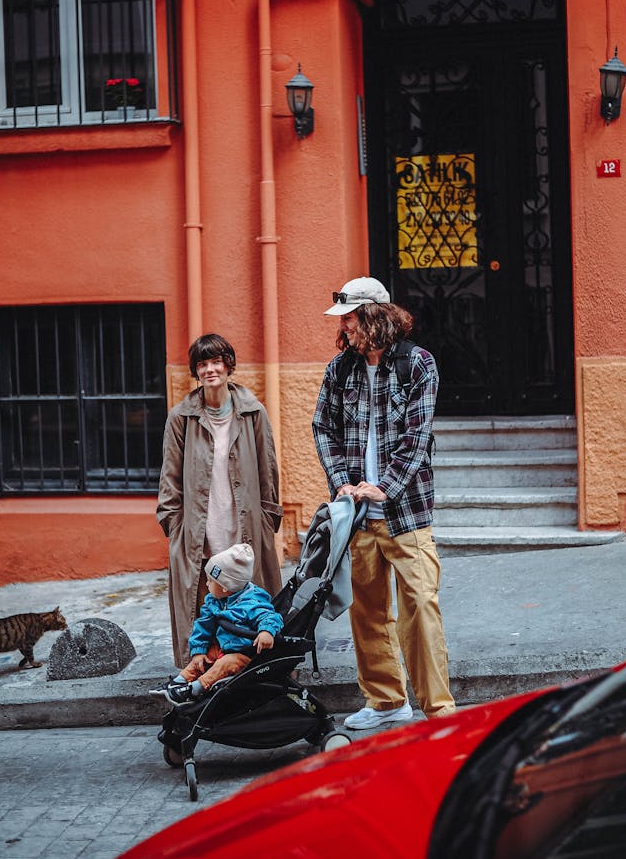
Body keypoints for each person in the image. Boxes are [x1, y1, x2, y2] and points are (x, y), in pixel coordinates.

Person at [312, 276, 455, 730]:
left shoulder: (418, 365)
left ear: (374, 317)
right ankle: (387, 701)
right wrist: (341, 483)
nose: (346, 327)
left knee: (420, 609)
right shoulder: (340, 369)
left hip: (406, 512)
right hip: (356, 516)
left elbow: (417, 437)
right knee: (367, 612)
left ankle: (438, 711)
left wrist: (384, 487)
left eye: (351, 318)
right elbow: (323, 428)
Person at [157, 333, 283, 668]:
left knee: (250, 596)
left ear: (228, 367)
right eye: (202, 364)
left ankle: (256, 670)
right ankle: (205, 673)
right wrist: (172, 523)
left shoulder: (253, 412)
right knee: (204, 598)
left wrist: (269, 518)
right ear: (196, 372)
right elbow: (169, 474)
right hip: (200, 526)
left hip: (245, 523)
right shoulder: (181, 417)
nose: (210, 369)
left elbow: (268, 468)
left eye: (216, 362)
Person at [154, 542, 284, 706]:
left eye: (210, 581)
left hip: (246, 655)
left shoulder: (253, 602)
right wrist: (198, 651)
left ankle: (196, 688)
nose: (207, 584)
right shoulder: (214, 600)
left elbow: (271, 617)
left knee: (225, 664)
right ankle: (180, 680)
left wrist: (266, 632)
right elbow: (203, 626)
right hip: (223, 646)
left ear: (224, 587)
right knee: (203, 657)